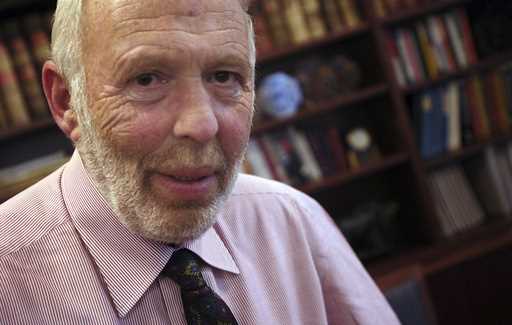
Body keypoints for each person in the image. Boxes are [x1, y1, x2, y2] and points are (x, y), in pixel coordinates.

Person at [0, 0, 400, 324]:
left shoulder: (292, 220)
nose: (202, 124)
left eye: (224, 77)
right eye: (146, 79)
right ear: (66, 101)